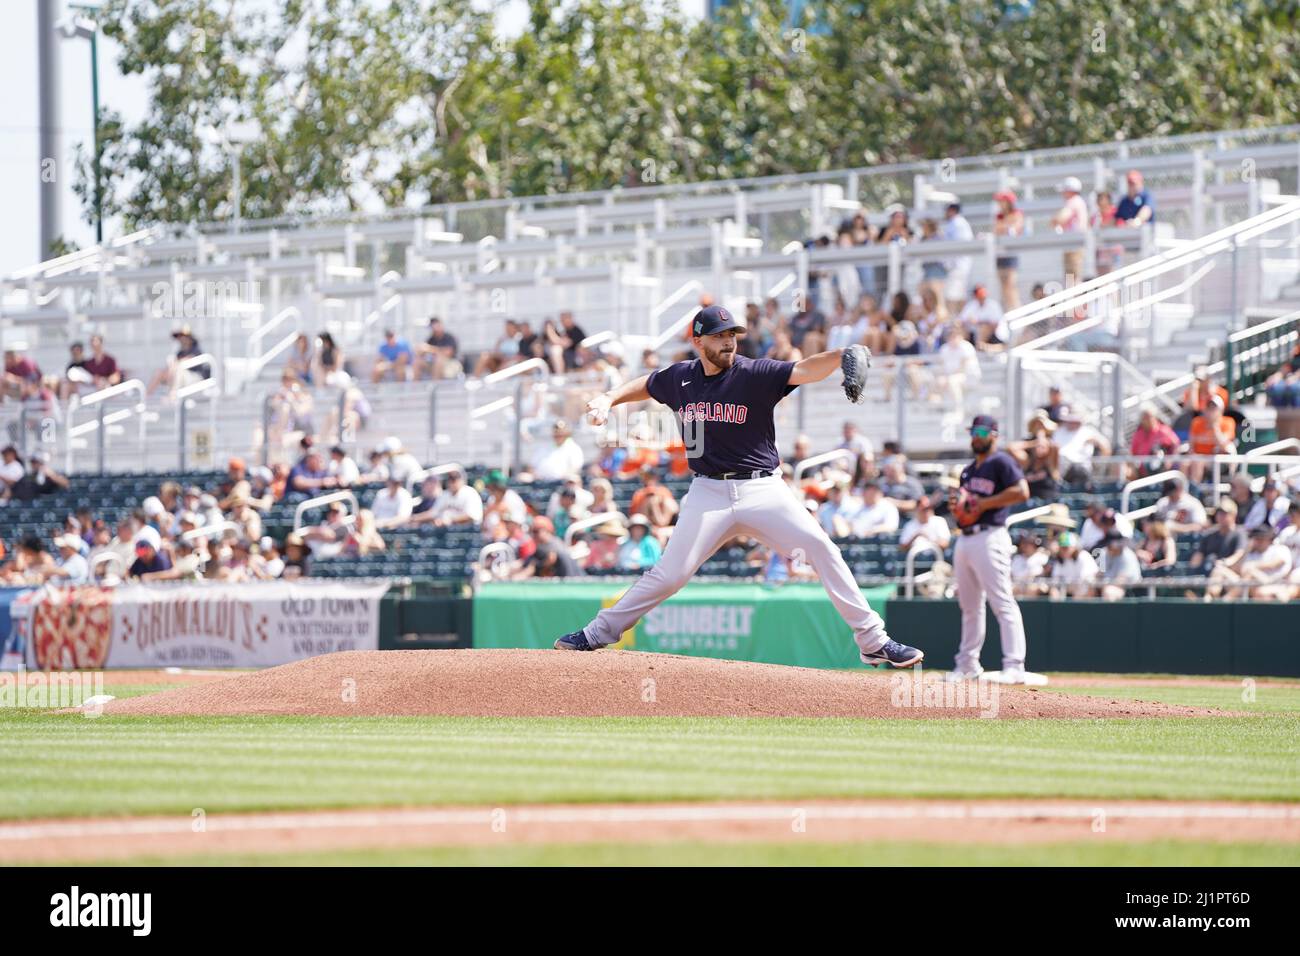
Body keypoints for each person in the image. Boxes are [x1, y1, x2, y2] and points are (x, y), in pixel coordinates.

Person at [553, 304, 923, 668]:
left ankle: (874, 641)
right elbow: (649, 383)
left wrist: (841, 354)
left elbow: (804, 369)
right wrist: (608, 398)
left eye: (733, 335)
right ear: (699, 341)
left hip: (762, 489)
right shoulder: (681, 377)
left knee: (820, 548)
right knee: (670, 575)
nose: (729, 342)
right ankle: (596, 634)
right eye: (720, 336)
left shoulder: (754, 372)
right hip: (707, 492)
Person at [946, 415, 1033, 683]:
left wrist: (984, 504)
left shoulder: (1001, 461)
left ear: (994, 434)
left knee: (1001, 601)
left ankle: (1014, 665)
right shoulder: (968, 470)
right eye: (973, 431)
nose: (976, 436)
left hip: (991, 535)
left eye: (982, 431)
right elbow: (964, 510)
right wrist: (958, 509)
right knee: (969, 606)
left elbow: (1022, 491)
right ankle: (967, 665)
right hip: (966, 538)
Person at [1186, 395, 1235, 482]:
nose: (1211, 411)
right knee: (1184, 464)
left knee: (1198, 462)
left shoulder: (1228, 422)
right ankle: (1182, 491)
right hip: (1198, 457)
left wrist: (1214, 426)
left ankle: (1195, 491)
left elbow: (1223, 445)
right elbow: (1191, 445)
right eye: (1209, 408)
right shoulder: (1197, 422)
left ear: (1221, 410)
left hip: (1217, 459)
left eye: (1214, 408)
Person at [1050, 176, 1090, 285]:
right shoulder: (1079, 202)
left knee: (1072, 277)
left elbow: (1060, 219)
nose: (1062, 193)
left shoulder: (1073, 202)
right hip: (1074, 244)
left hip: (1073, 245)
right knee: (1072, 277)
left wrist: (1054, 221)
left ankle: (1075, 301)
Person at [993, 189, 1025, 310]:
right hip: (1001, 253)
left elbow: (1014, 230)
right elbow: (996, 230)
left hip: (1011, 254)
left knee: (1010, 285)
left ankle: (1016, 312)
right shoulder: (999, 216)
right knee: (1003, 286)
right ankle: (1008, 312)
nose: (1000, 204)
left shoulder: (1017, 214)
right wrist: (1005, 226)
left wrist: (1004, 227)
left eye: (1002, 201)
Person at [1096, 531, 1142, 601]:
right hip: (1106, 586)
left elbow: (1121, 580)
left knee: (1109, 592)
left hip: (1128, 589)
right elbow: (1100, 574)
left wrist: (1104, 585)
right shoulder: (1104, 553)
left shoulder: (1127, 555)